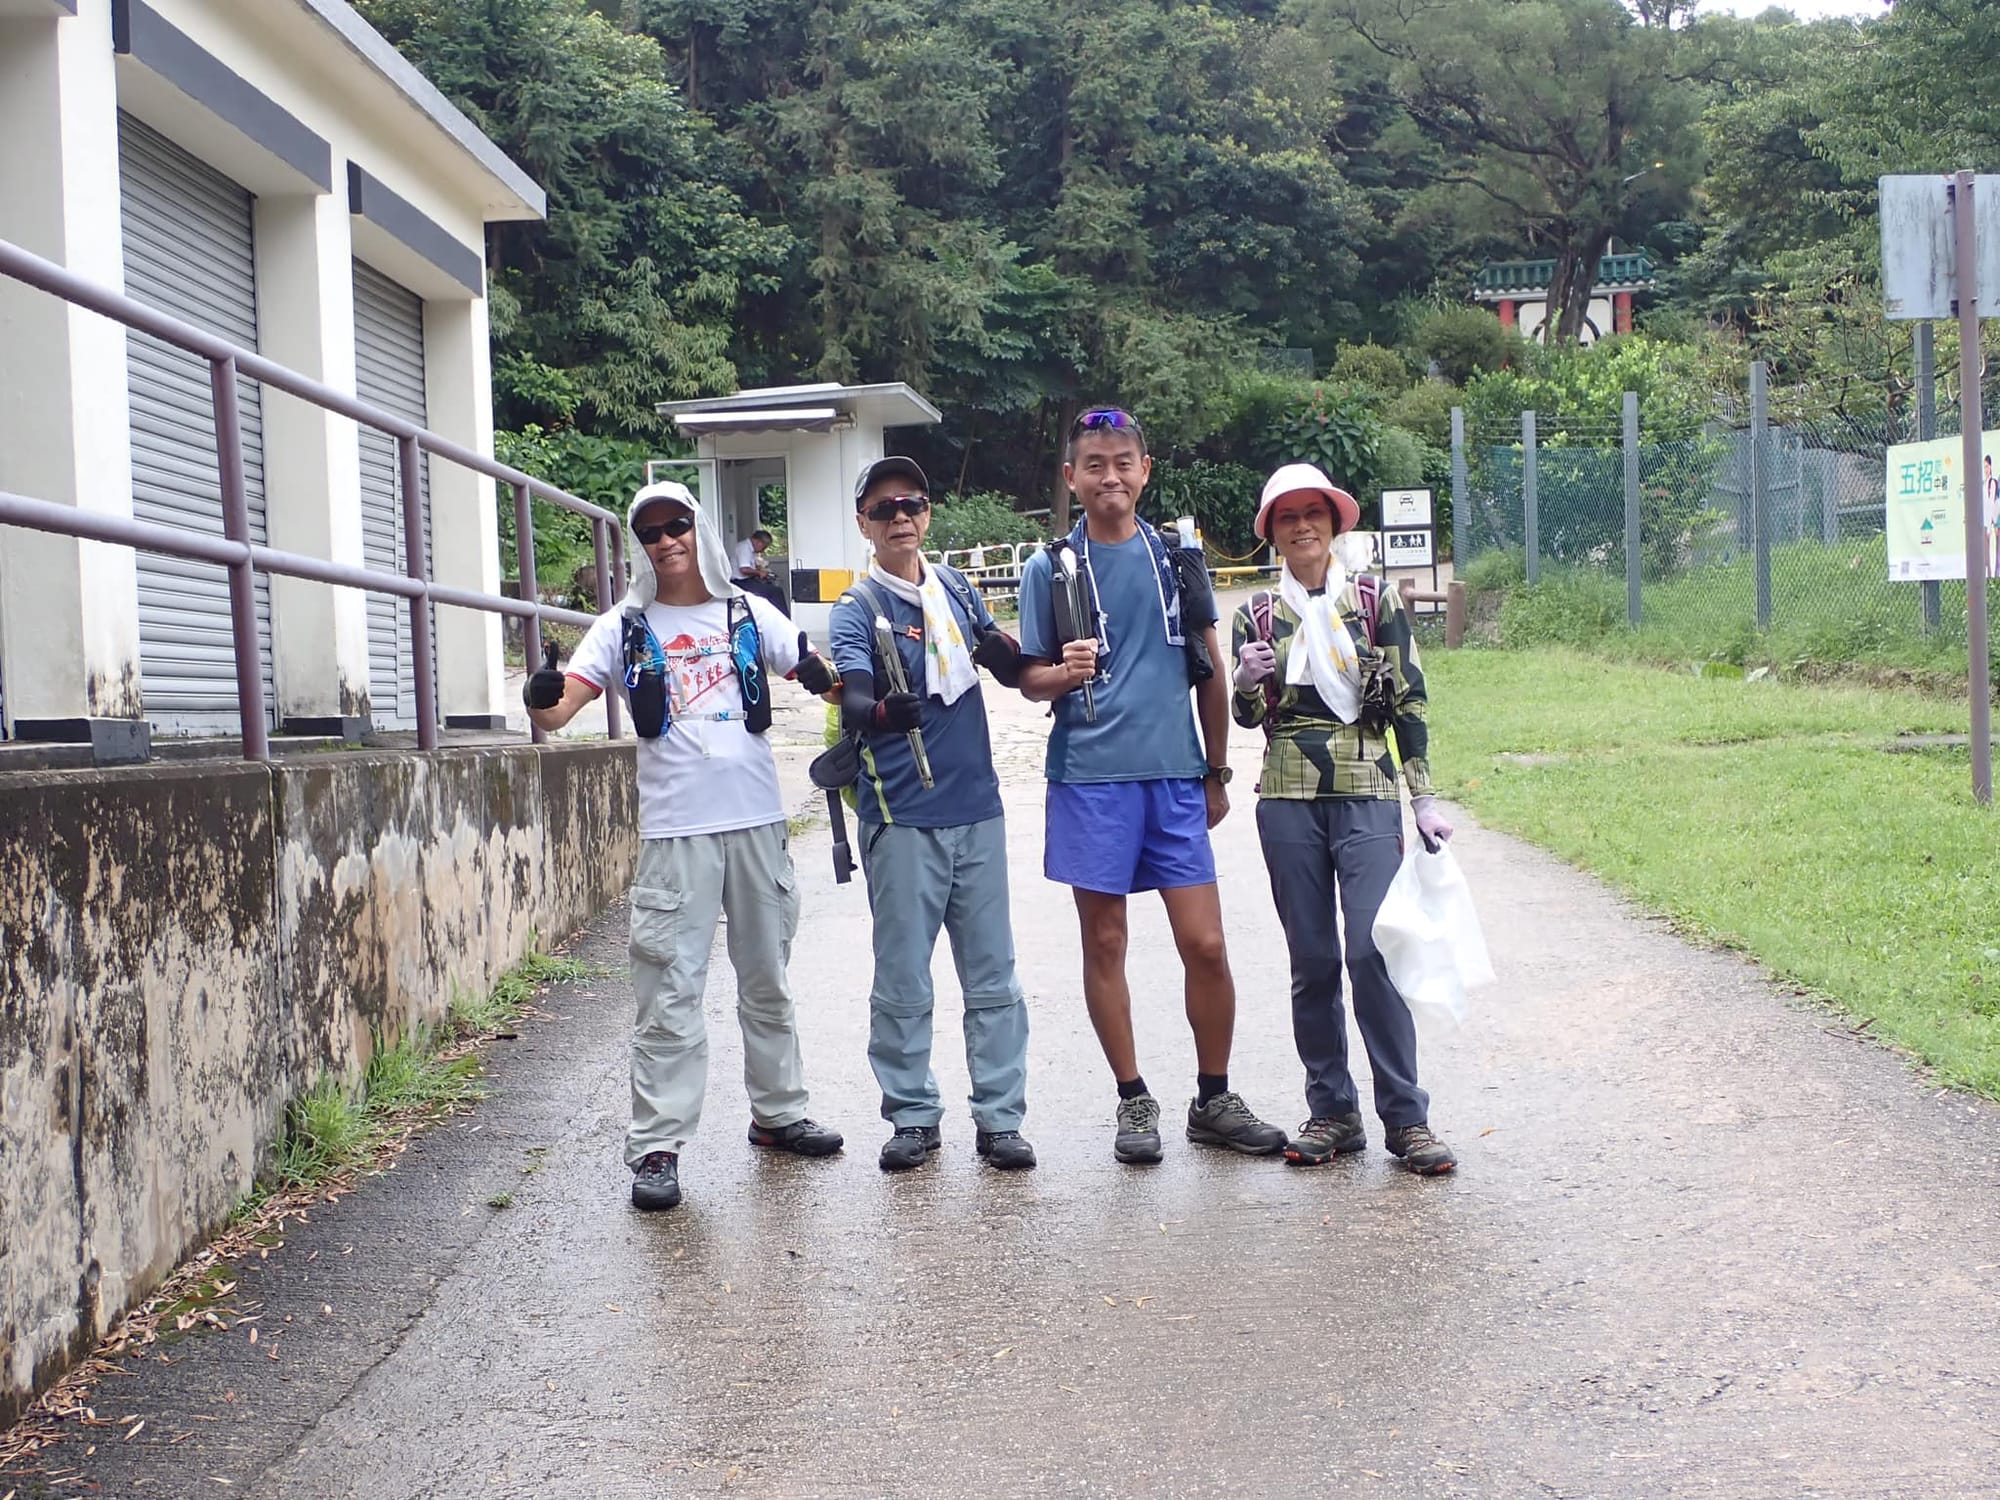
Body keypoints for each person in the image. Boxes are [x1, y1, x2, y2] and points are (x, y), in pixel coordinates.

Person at [524, 482, 844, 1211]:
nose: (666, 541)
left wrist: (857, 693)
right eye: (651, 533)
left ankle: (779, 1114)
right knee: (668, 988)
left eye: (676, 527)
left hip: (757, 821)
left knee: (768, 976)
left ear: (697, 530)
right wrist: (538, 692)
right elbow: (558, 711)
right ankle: (658, 1147)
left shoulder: (748, 611)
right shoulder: (623, 625)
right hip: (676, 832)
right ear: (640, 546)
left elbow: (818, 676)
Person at [1016, 406, 1288, 1165]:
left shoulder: (1175, 558)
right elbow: (1030, 679)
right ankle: (1133, 1099)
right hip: (1090, 779)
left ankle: (1215, 1095)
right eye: (1094, 464)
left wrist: (1216, 767)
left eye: (1123, 461)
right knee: (1105, 942)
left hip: (1174, 777)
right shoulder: (1052, 568)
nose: (1111, 476)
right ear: (1072, 477)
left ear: (1146, 469)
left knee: (1204, 943)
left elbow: (1209, 664)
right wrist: (1058, 675)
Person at [1229, 462, 1457, 1176]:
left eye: (1314, 514)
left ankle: (1406, 1117)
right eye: (1288, 517)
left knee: (1371, 951)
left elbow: (1409, 698)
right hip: (1288, 796)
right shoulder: (1258, 616)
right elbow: (1245, 718)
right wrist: (1244, 680)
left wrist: (1421, 797)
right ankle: (1332, 1110)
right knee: (1315, 961)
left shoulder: (1373, 599)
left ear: (1333, 523)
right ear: (1272, 532)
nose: (1302, 527)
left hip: (1365, 788)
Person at [829, 457, 1036, 1173]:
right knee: (903, 981)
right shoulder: (857, 608)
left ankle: (1000, 1119)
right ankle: (913, 1117)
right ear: (864, 523)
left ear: (928, 513)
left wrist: (1044, 657)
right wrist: (881, 711)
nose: (900, 518)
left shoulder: (954, 586)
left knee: (994, 980)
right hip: (902, 815)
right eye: (883, 509)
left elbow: (1004, 661)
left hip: (977, 808)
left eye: (911, 504)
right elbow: (853, 696)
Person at [734, 528, 787, 610]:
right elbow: (744, 569)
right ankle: (784, 617)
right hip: (740, 582)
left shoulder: (751, 550)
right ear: (758, 542)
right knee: (776, 592)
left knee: (770, 585)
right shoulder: (744, 548)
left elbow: (752, 566)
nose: (763, 550)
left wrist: (761, 569)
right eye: (764, 547)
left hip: (747, 580)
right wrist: (759, 573)